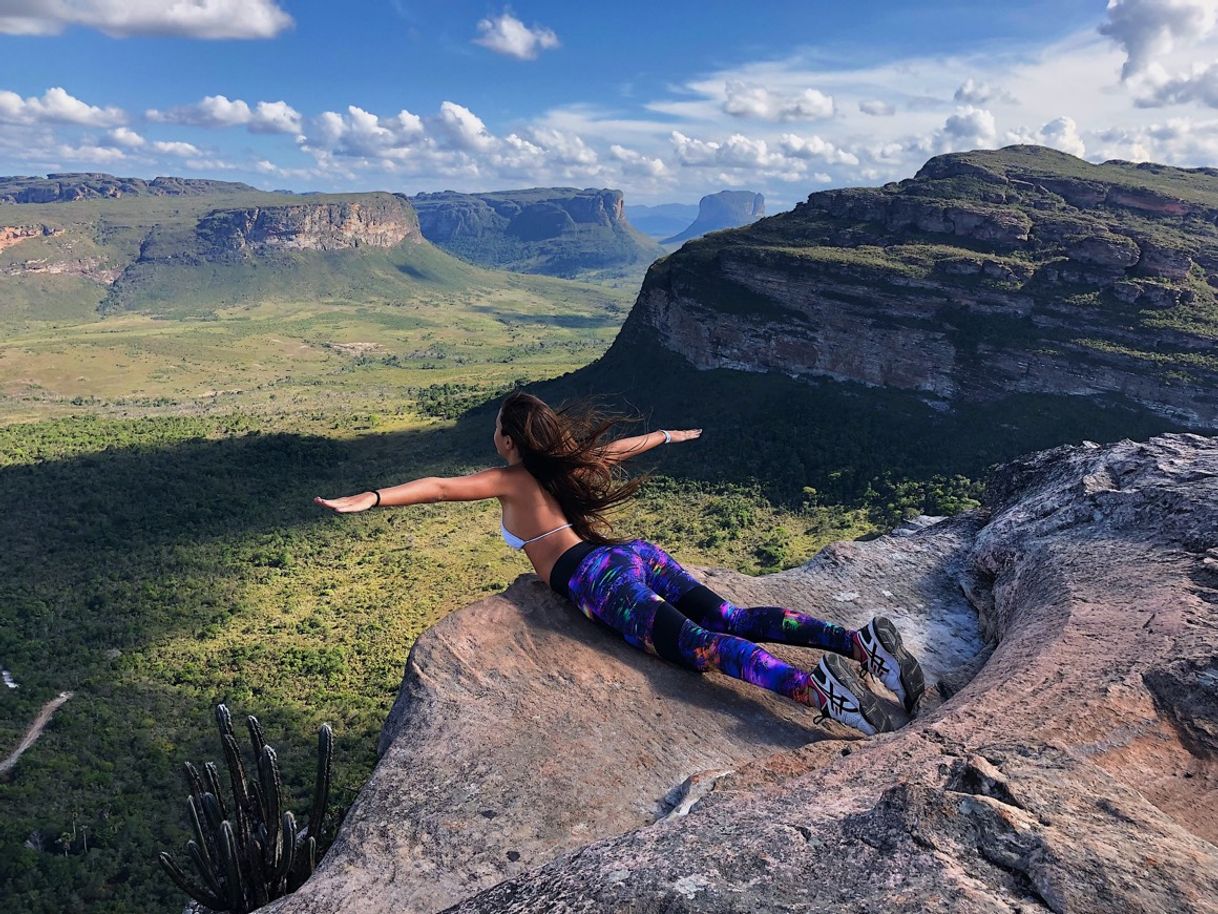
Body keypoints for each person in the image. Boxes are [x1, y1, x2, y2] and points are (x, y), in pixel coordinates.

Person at [314, 390, 925, 736]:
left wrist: (370, 498)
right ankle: (858, 642)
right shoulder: (567, 462)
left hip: (595, 577)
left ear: (508, 439)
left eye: (498, 429)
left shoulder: (512, 478)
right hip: (633, 555)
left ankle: (817, 691)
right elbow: (615, 450)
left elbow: (441, 488)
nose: (495, 437)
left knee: (701, 647)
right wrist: (667, 437)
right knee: (731, 615)